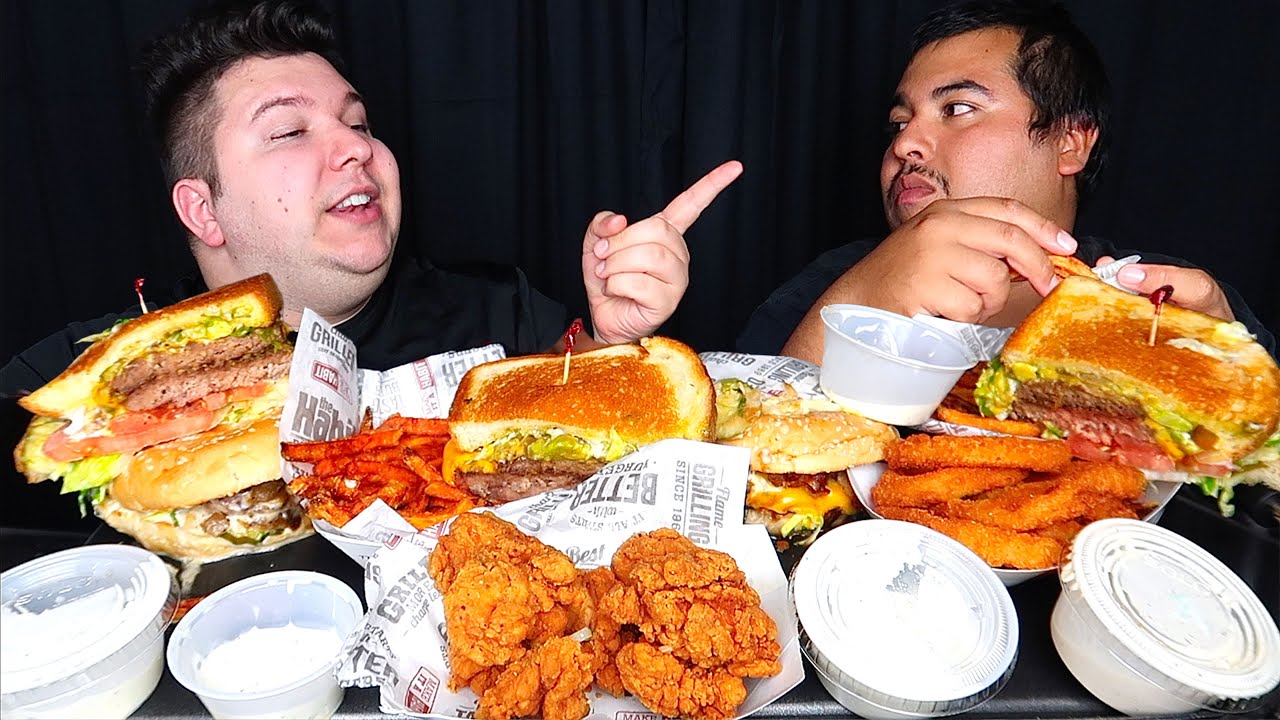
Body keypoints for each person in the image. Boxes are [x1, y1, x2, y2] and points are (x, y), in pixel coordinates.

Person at [0, 0, 741, 396]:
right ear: (203, 210)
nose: (357, 148)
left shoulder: (497, 313)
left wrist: (614, 340)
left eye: (357, 123)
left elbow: (571, 396)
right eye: (290, 131)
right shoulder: (84, 373)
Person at [736, 0, 1275, 362]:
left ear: (1070, 142)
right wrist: (857, 304)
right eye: (899, 123)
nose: (904, 144)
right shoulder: (830, 283)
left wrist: (1241, 385)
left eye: (957, 108)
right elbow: (727, 467)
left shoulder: (1171, 300)